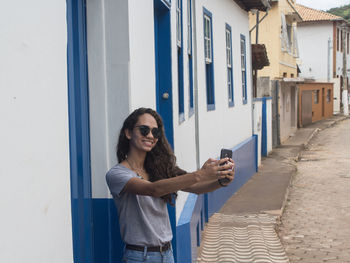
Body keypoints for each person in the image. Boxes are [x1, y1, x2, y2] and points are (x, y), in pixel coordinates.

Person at [106, 108, 235, 263]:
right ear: (128, 133)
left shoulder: (160, 169)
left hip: (167, 254)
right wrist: (200, 174)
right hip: (140, 257)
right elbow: (153, 189)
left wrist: (220, 181)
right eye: (144, 130)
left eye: (155, 132)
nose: (150, 136)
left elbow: (196, 188)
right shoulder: (117, 174)